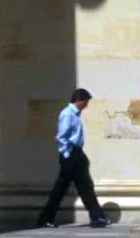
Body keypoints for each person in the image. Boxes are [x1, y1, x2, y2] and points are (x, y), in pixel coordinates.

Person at [36, 88, 110, 228]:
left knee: (70, 188)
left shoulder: (74, 115)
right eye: (86, 102)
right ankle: (97, 217)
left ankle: (46, 218)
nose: (86, 105)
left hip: (75, 154)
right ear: (79, 101)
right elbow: (61, 136)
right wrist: (67, 154)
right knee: (82, 187)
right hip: (72, 155)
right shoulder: (68, 114)